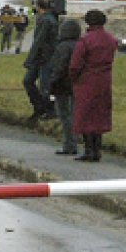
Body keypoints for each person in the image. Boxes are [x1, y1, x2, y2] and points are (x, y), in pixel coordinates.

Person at [69, 9, 118, 162]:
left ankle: (89, 149)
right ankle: (97, 149)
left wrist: (73, 78)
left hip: (86, 80)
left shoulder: (85, 40)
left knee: (85, 114)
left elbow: (75, 64)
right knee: (100, 115)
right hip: (104, 80)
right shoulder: (110, 39)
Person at [47, 18, 82, 155]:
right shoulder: (80, 45)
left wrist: (52, 81)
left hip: (62, 84)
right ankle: (73, 142)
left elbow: (59, 67)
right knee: (73, 113)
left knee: (64, 115)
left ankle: (69, 143)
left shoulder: (62, 47)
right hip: (76, 83)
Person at [22, 0, 59, 121]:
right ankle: (41, 107)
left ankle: (48, 110)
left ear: (38, 6)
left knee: (44, 86)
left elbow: (39, 41)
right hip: (41, 57)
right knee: (29, 81)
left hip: (45, 58)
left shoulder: (46, 21)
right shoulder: (47, 19)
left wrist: (29, 60)